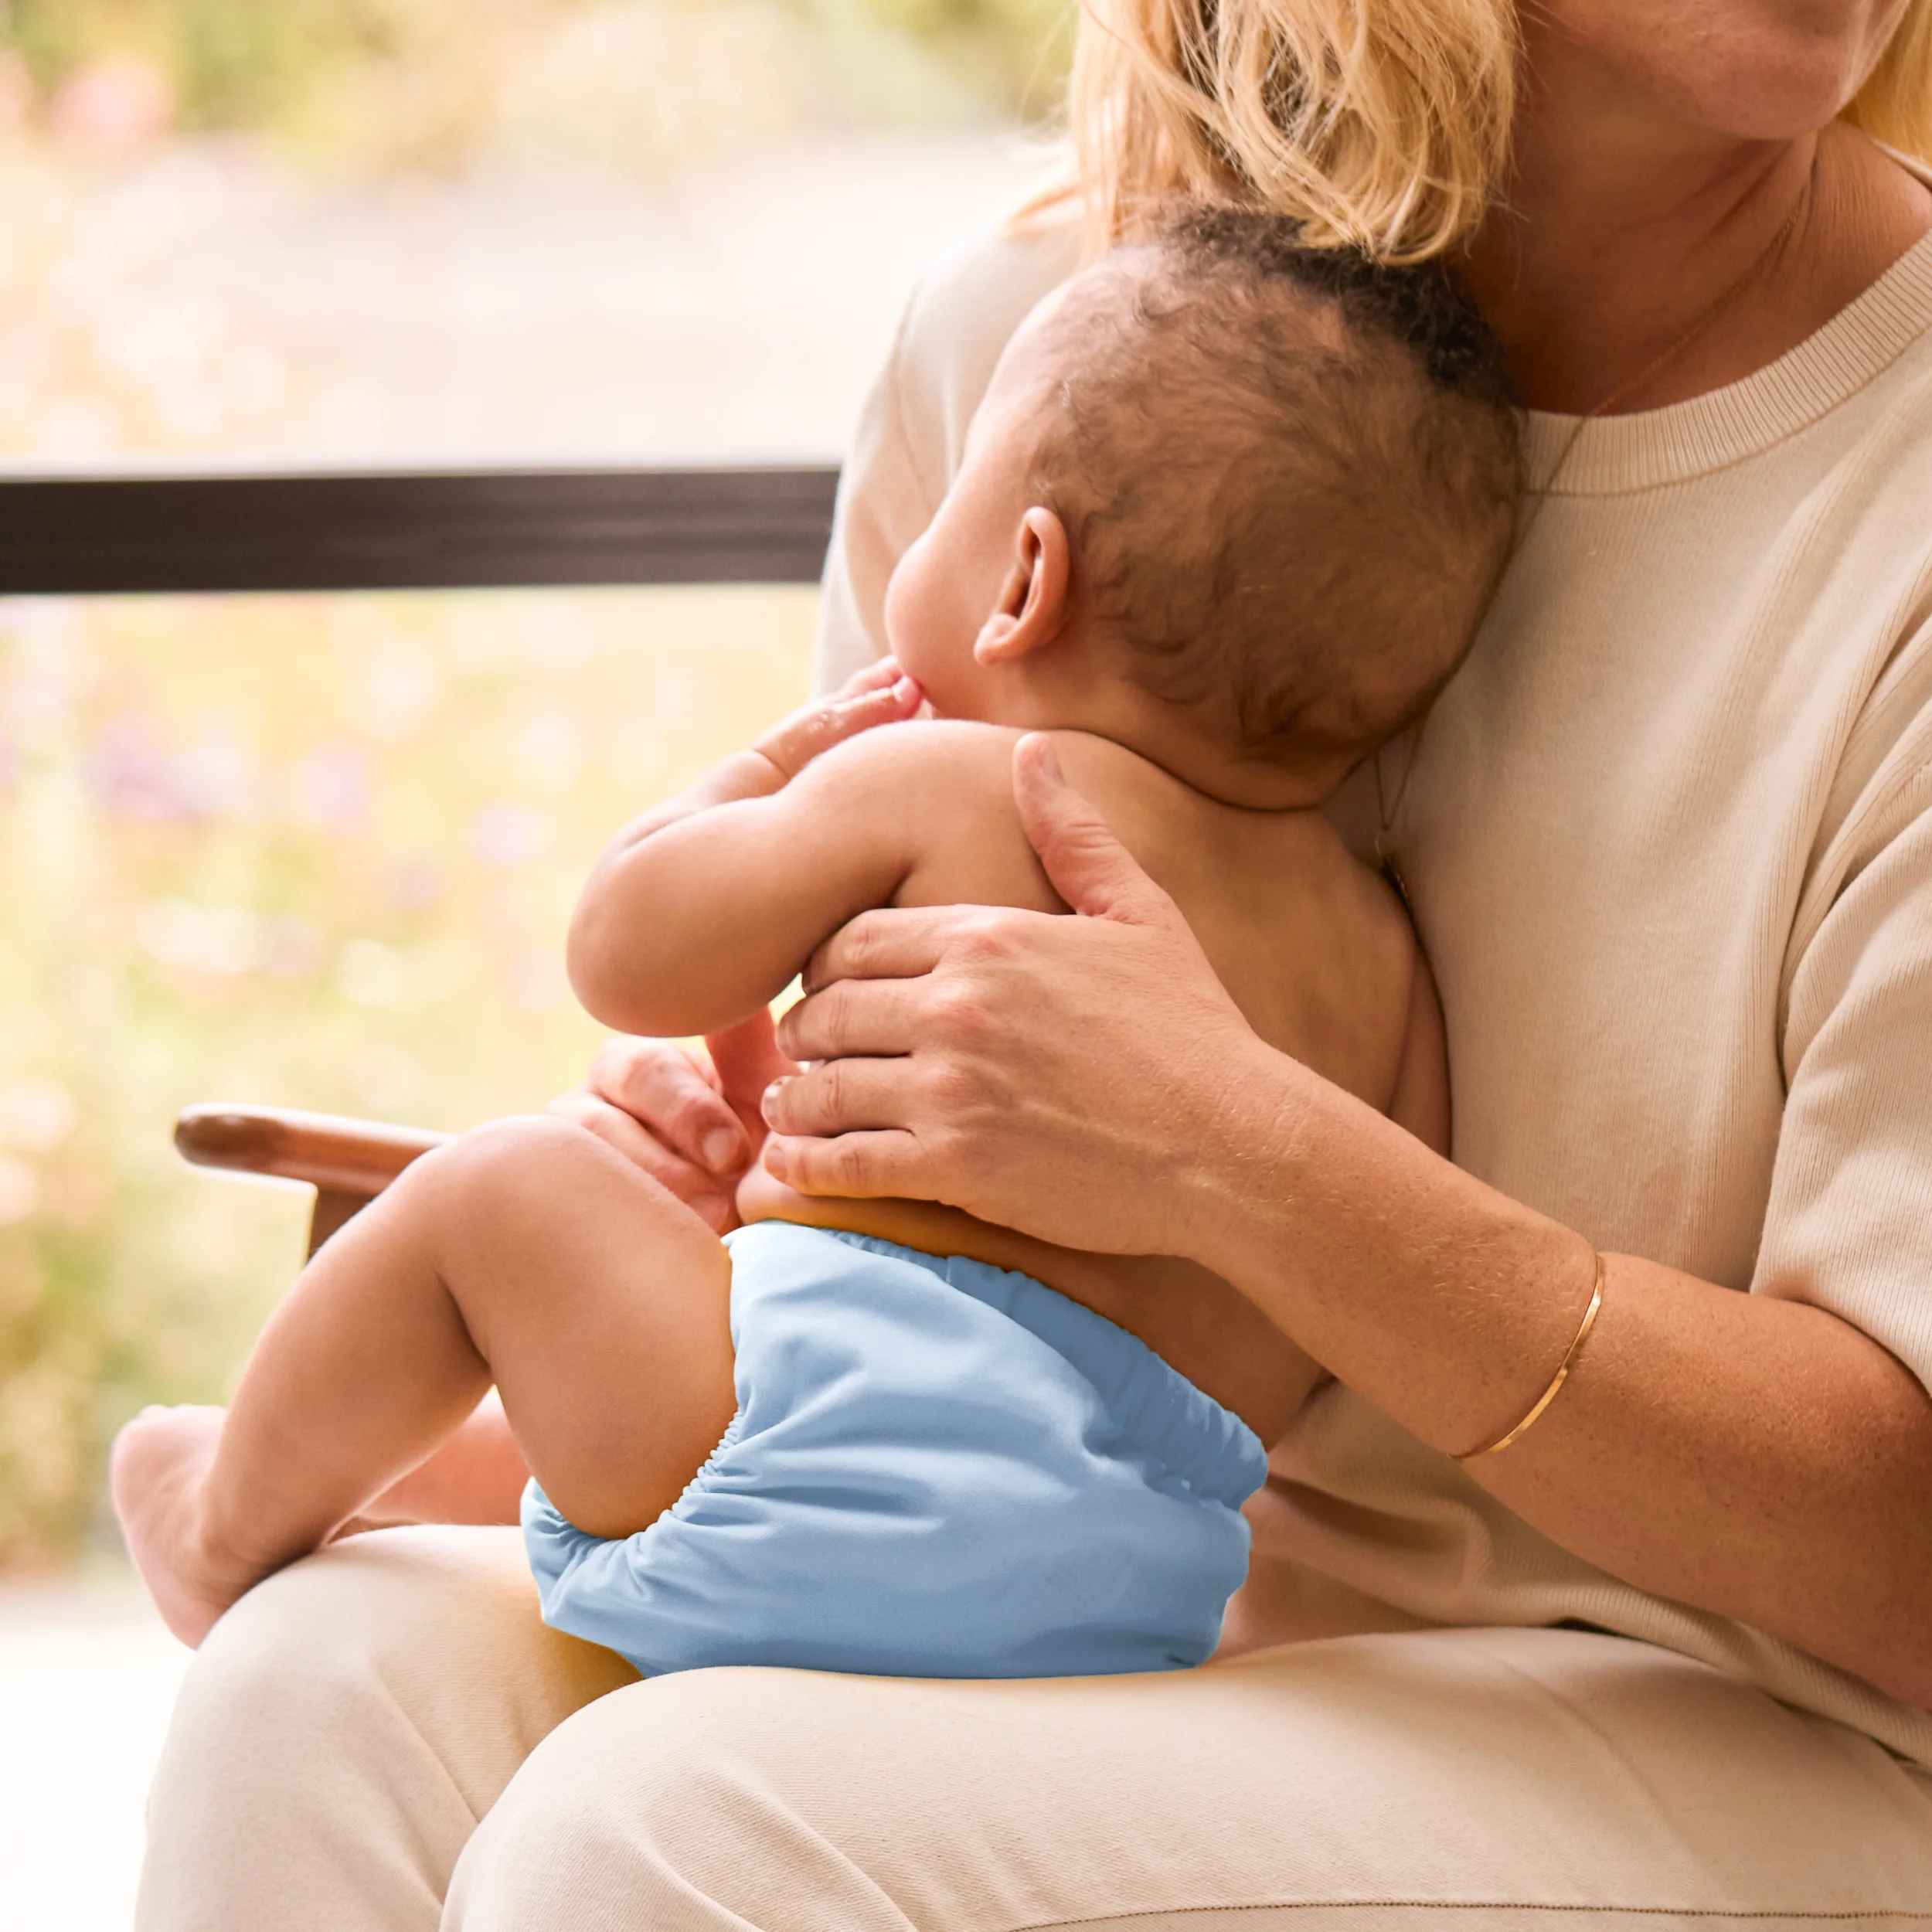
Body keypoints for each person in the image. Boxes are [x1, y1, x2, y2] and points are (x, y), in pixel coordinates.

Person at [136, 3, 1932, 1927]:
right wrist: (740, 1124)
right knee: (310, 1685)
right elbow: (852, 1108)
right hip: (1141, 1580)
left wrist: (1236, 1151)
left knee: (668, 1829)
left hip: (1762, 1714)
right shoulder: (1044, 332)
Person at [110, 215, 1517, 1685]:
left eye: (962, 482)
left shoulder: (954, 780)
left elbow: (627, 955)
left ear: (1022, 579)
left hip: (798, 1461)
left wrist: (754, 779)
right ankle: (426, 1472)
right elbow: (1347, 1297)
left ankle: (221, 1525)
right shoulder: (1383, 966)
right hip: (1115, 1592)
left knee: (494, 1195)